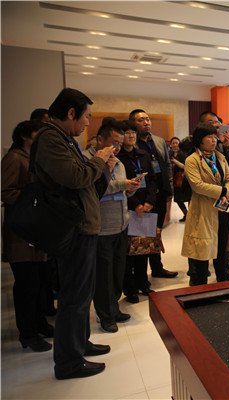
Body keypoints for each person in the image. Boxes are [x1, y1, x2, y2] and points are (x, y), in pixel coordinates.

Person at [33, 88, 114, 380]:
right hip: (73, 229)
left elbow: (88, 185)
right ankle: (69, 362)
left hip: (84, 227)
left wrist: (105, 167)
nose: (87, 123)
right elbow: (76, 177)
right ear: (70, 113)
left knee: (83, 294)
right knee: (73, 297)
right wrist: (99, 160)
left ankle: (80, 343)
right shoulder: (50, 139)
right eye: (86, 116)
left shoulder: (65, 139)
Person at [83, 118, 140, 333]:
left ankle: (114, 308)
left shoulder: (119, 162)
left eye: (120, 144)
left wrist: (131, 187)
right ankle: (105, 315)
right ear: (100, 139)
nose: (117, 148)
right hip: (101, 228)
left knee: (117, 272)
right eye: (114, 143)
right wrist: (123, 184)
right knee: (103, 276)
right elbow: (94, 189)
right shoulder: (89, 160)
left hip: (120, 225)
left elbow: (122, 192)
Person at [2, 120, 53, 352]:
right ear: (25, 136)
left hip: (38, 230)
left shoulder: (35, 157)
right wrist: (33, 200)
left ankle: (40, 324)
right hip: (22, 232)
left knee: (40, 282)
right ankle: (28, 333)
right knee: (27, 285)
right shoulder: (14, 158)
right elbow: (6, 191)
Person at [182, 123, 229, 285]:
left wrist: (227, 191)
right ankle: (201, 285)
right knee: (203, 249)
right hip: (203, 210)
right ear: (200, 140)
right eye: (209, 137)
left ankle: (222, 279)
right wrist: (222, 192)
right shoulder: (192, 160)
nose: (214, 141)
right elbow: (197, 185)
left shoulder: (219, 157)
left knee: (222, 246)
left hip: (222, 208)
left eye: (215, 137)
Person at [129, 109, 177, 279]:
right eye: (141, 120)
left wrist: (169, 190)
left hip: (160, 192)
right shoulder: (131, 143)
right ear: (132, 123)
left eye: (148, 119)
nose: (146, 122)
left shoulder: (158, 141)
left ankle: (157, 267)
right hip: (141, 196)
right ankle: (138, 273)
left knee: (156, 231)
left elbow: (166, 166)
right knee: (141, 234)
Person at [117, 120, 158, 303]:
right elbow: (121, 185)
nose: (131, 136)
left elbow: (152, 180)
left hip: (146, 207)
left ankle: (143, 283)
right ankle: (130, 289)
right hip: (128, 207)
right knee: (128, 251)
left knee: (143, 248)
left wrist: (149, 202)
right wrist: (136, 205)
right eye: (127, 133)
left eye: (133, 132)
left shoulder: (143, 154)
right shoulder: (118, 158)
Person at [169, 136, 191, 222]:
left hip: (184, 178)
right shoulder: (170, 153)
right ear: (170, 144)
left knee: (189, 197)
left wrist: (175, 161)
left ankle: (190, 216)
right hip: (176, 178)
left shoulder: (182, 153)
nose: (175, 145)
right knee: (178, 198)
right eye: (173, 143)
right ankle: (186, 214)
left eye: (176, 143)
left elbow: (185, 166)